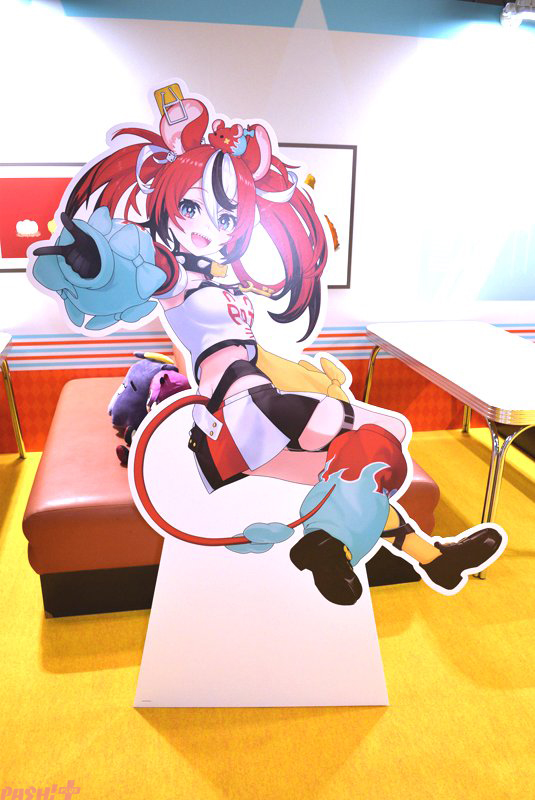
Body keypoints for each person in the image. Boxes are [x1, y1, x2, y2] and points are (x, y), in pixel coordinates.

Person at [31, 84, 505, 605]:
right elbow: (129, 270)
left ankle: (414, 557)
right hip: (239, 412)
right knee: (381, 430)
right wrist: (88, 261)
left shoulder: (224, 280)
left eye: (225, 219)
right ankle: (332, 545)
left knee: (363, 467)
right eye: (190, 207)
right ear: (166, 202)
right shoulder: (174, 277)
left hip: (260, 418)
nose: (207, 229)